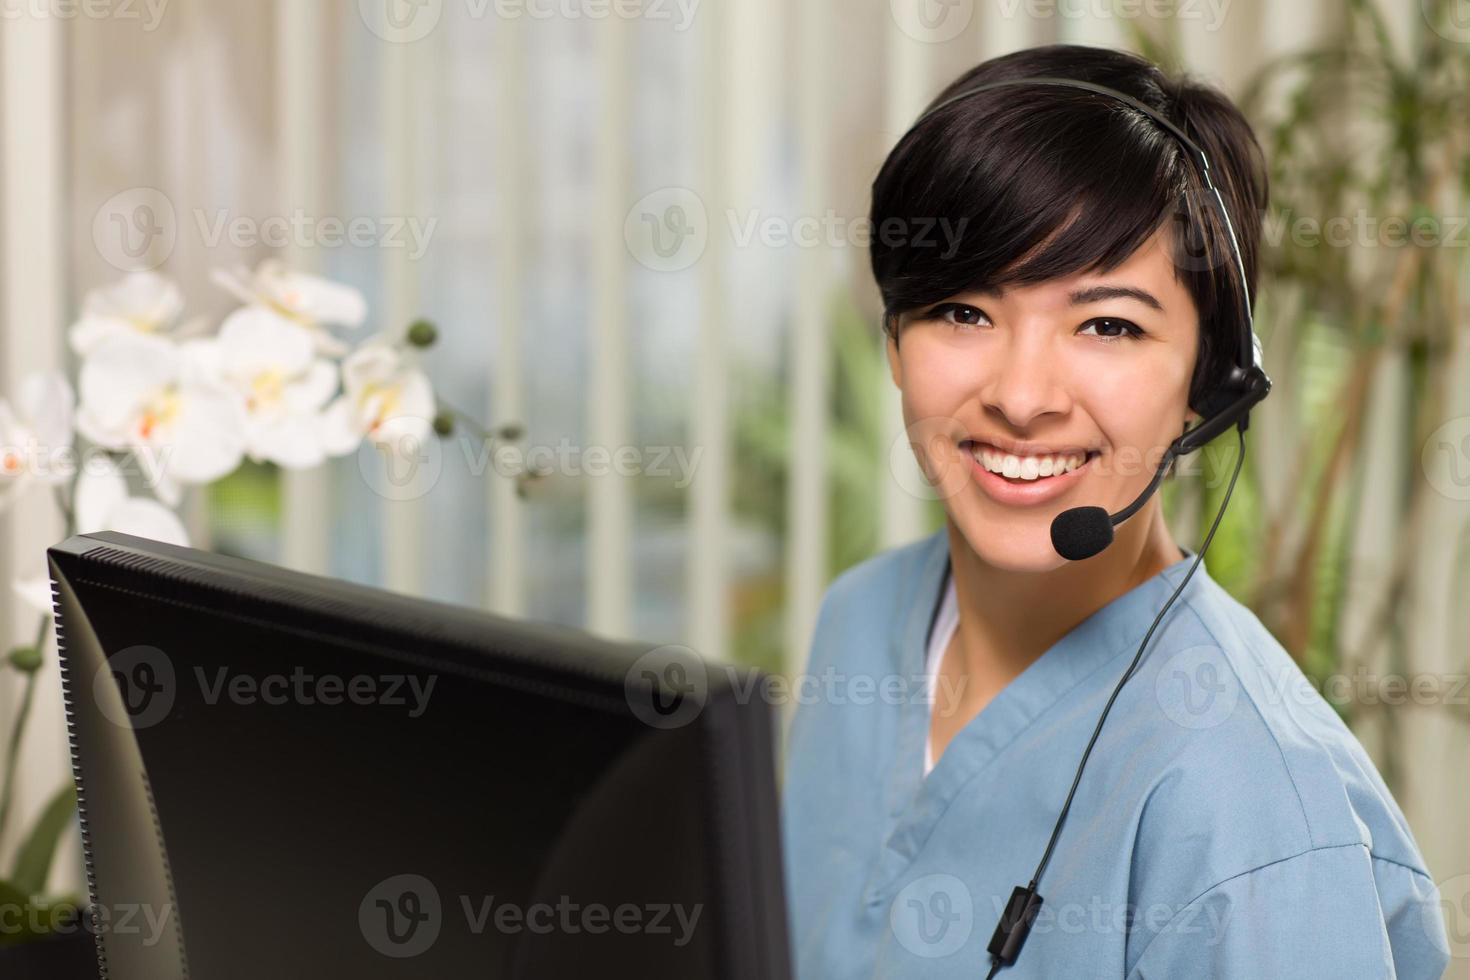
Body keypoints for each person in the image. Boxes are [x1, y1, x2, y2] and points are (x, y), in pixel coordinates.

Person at [779, 44, 1451, 979]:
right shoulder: (861, 620)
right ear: (894, 340)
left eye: (1109, 324)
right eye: (963, 312)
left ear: (1209, 386)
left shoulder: (1252, 814)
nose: (1021, 395)